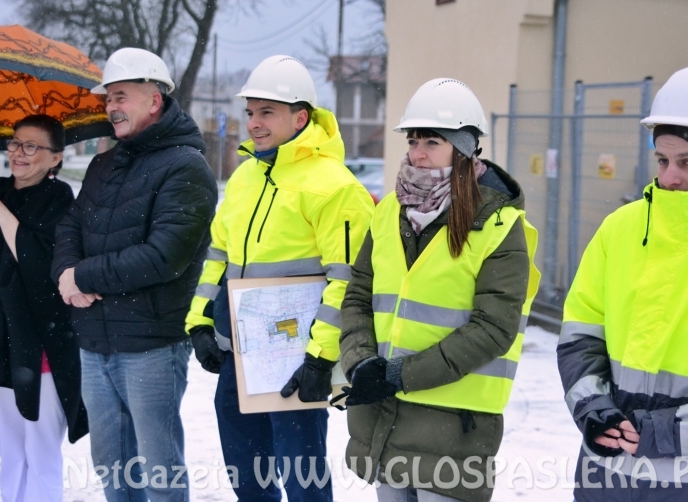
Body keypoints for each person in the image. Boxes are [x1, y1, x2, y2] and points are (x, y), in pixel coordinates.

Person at [337, 79, 539, 502]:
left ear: (465, 150)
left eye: (433, 141)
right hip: (385, 418)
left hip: (454, 426)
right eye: (413, 141)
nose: (418, 153)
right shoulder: (390, 209)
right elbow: (358, 295)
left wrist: (397, 374)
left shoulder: (500, 226)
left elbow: (493, 329)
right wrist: (360, 364)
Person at [185, 55, 375, 501]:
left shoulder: (336, 186)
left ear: (300, 116)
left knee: (302, 482)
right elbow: (218, 254)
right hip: (241, 356)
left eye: (266, 112)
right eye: (250, 112)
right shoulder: (246, 176)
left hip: (296, 361)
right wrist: (198, 321)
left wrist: (320, 356)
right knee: (247, 480)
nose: (253, 122)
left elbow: (348, 280)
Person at [52, 47, 217, 502]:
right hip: (95, 341)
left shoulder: (186, 166)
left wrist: (83, 277)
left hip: (150, 345)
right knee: (112, 468)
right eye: (108, 99)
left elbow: (164, 256)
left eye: (121, 96)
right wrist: (66, 270)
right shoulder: (106, 163)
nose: (111, 107)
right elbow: (71, 225)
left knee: (159, 471)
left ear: (154, 101)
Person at [558, 64, 688, 501]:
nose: (669, 176)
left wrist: (671, 431)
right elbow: (581, 334)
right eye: (662, 159)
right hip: (606, 479)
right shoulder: (621, 228)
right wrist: (592, 409)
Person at [0, 114, 88, 502]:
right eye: (13, 143)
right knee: (10, 449)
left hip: (39, 341)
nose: (18, 153)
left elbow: (43, 263)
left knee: (40, 449)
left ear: (56, 158)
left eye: (31, 146)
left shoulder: (60, 199)